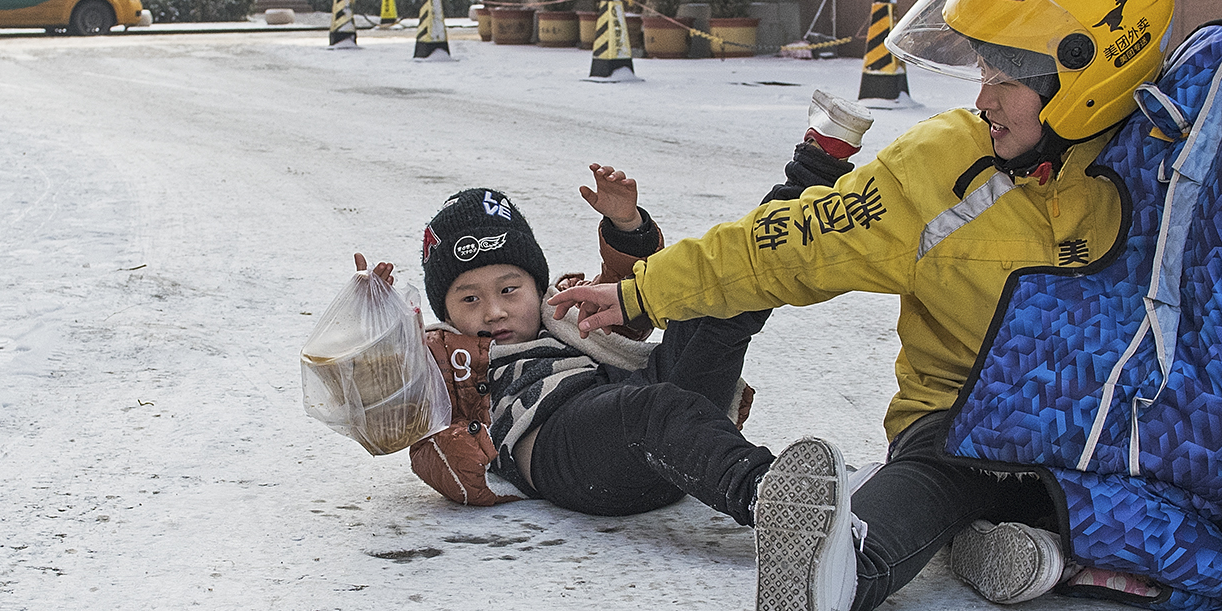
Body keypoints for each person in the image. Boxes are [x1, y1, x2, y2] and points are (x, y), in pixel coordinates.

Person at [548, 0, 1176, 611]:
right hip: (964, 429)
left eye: (1007, 75)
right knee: (936, 478)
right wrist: (644, 291)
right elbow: (784, 243)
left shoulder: (1170, 172)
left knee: (1170, 480)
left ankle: (1035, 548)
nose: (984, 97)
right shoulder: (943, 167)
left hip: (1105, 440)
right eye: (983, 70)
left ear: (1089, 73)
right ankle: (836, 568)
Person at [347, 93, 872, 523]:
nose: (493, 312)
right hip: (564, 451)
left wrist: (628, 229)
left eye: (509, 290)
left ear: (536, 283)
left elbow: (633, 297)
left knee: (716, 292)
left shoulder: (563, 311)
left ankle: (817, 164)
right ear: (445, 308)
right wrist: (379, 325)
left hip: (647, 428)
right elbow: (381, 408)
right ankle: (780, 502)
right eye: (469, 298)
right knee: (654, 407)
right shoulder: (440, 358)